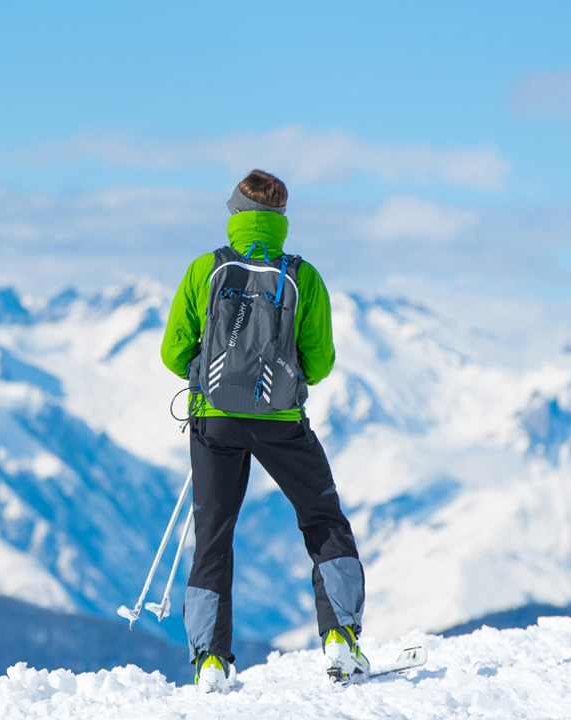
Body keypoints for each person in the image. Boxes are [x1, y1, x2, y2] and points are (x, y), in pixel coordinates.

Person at [159, 169, 368, 692]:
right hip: (280, 421)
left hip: (214, 419)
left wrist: (210, 377)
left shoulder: (205, 270)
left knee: (213, 534)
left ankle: (210, 660)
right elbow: (319, 363)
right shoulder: (303, 275)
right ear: (282, 220)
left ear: (234, 213)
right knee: (321, 518)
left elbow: (172, 352)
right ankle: (340, 636)